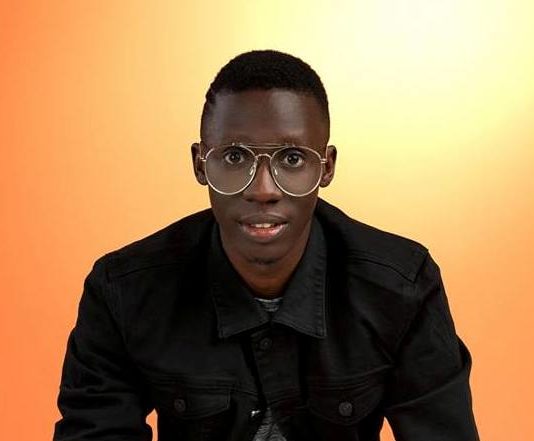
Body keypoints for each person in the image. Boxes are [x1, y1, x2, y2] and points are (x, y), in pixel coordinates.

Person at [54, 50, 479, 441]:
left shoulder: (402, 287)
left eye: (292, 159)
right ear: (200, 164)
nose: (262, 190)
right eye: (235, 157)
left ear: (326, 167)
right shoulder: (124, 292)